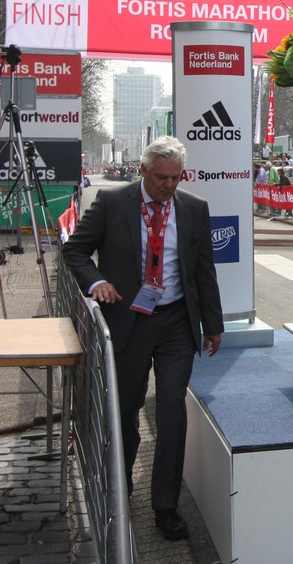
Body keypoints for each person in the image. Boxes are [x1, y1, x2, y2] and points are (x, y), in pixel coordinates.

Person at [62, 136, 223, 542]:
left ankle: (165, 506)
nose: (168, 185)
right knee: (125, 409)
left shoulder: (194, 208)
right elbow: (75, 251)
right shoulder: (112, 203)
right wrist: (96, 282)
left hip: (176, 323)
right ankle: (120, 488)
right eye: (161, 178)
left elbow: (204, 270)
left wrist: (213, 323)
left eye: (175, 178)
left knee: (171, 410)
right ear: (143, 171)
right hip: (128, 321)